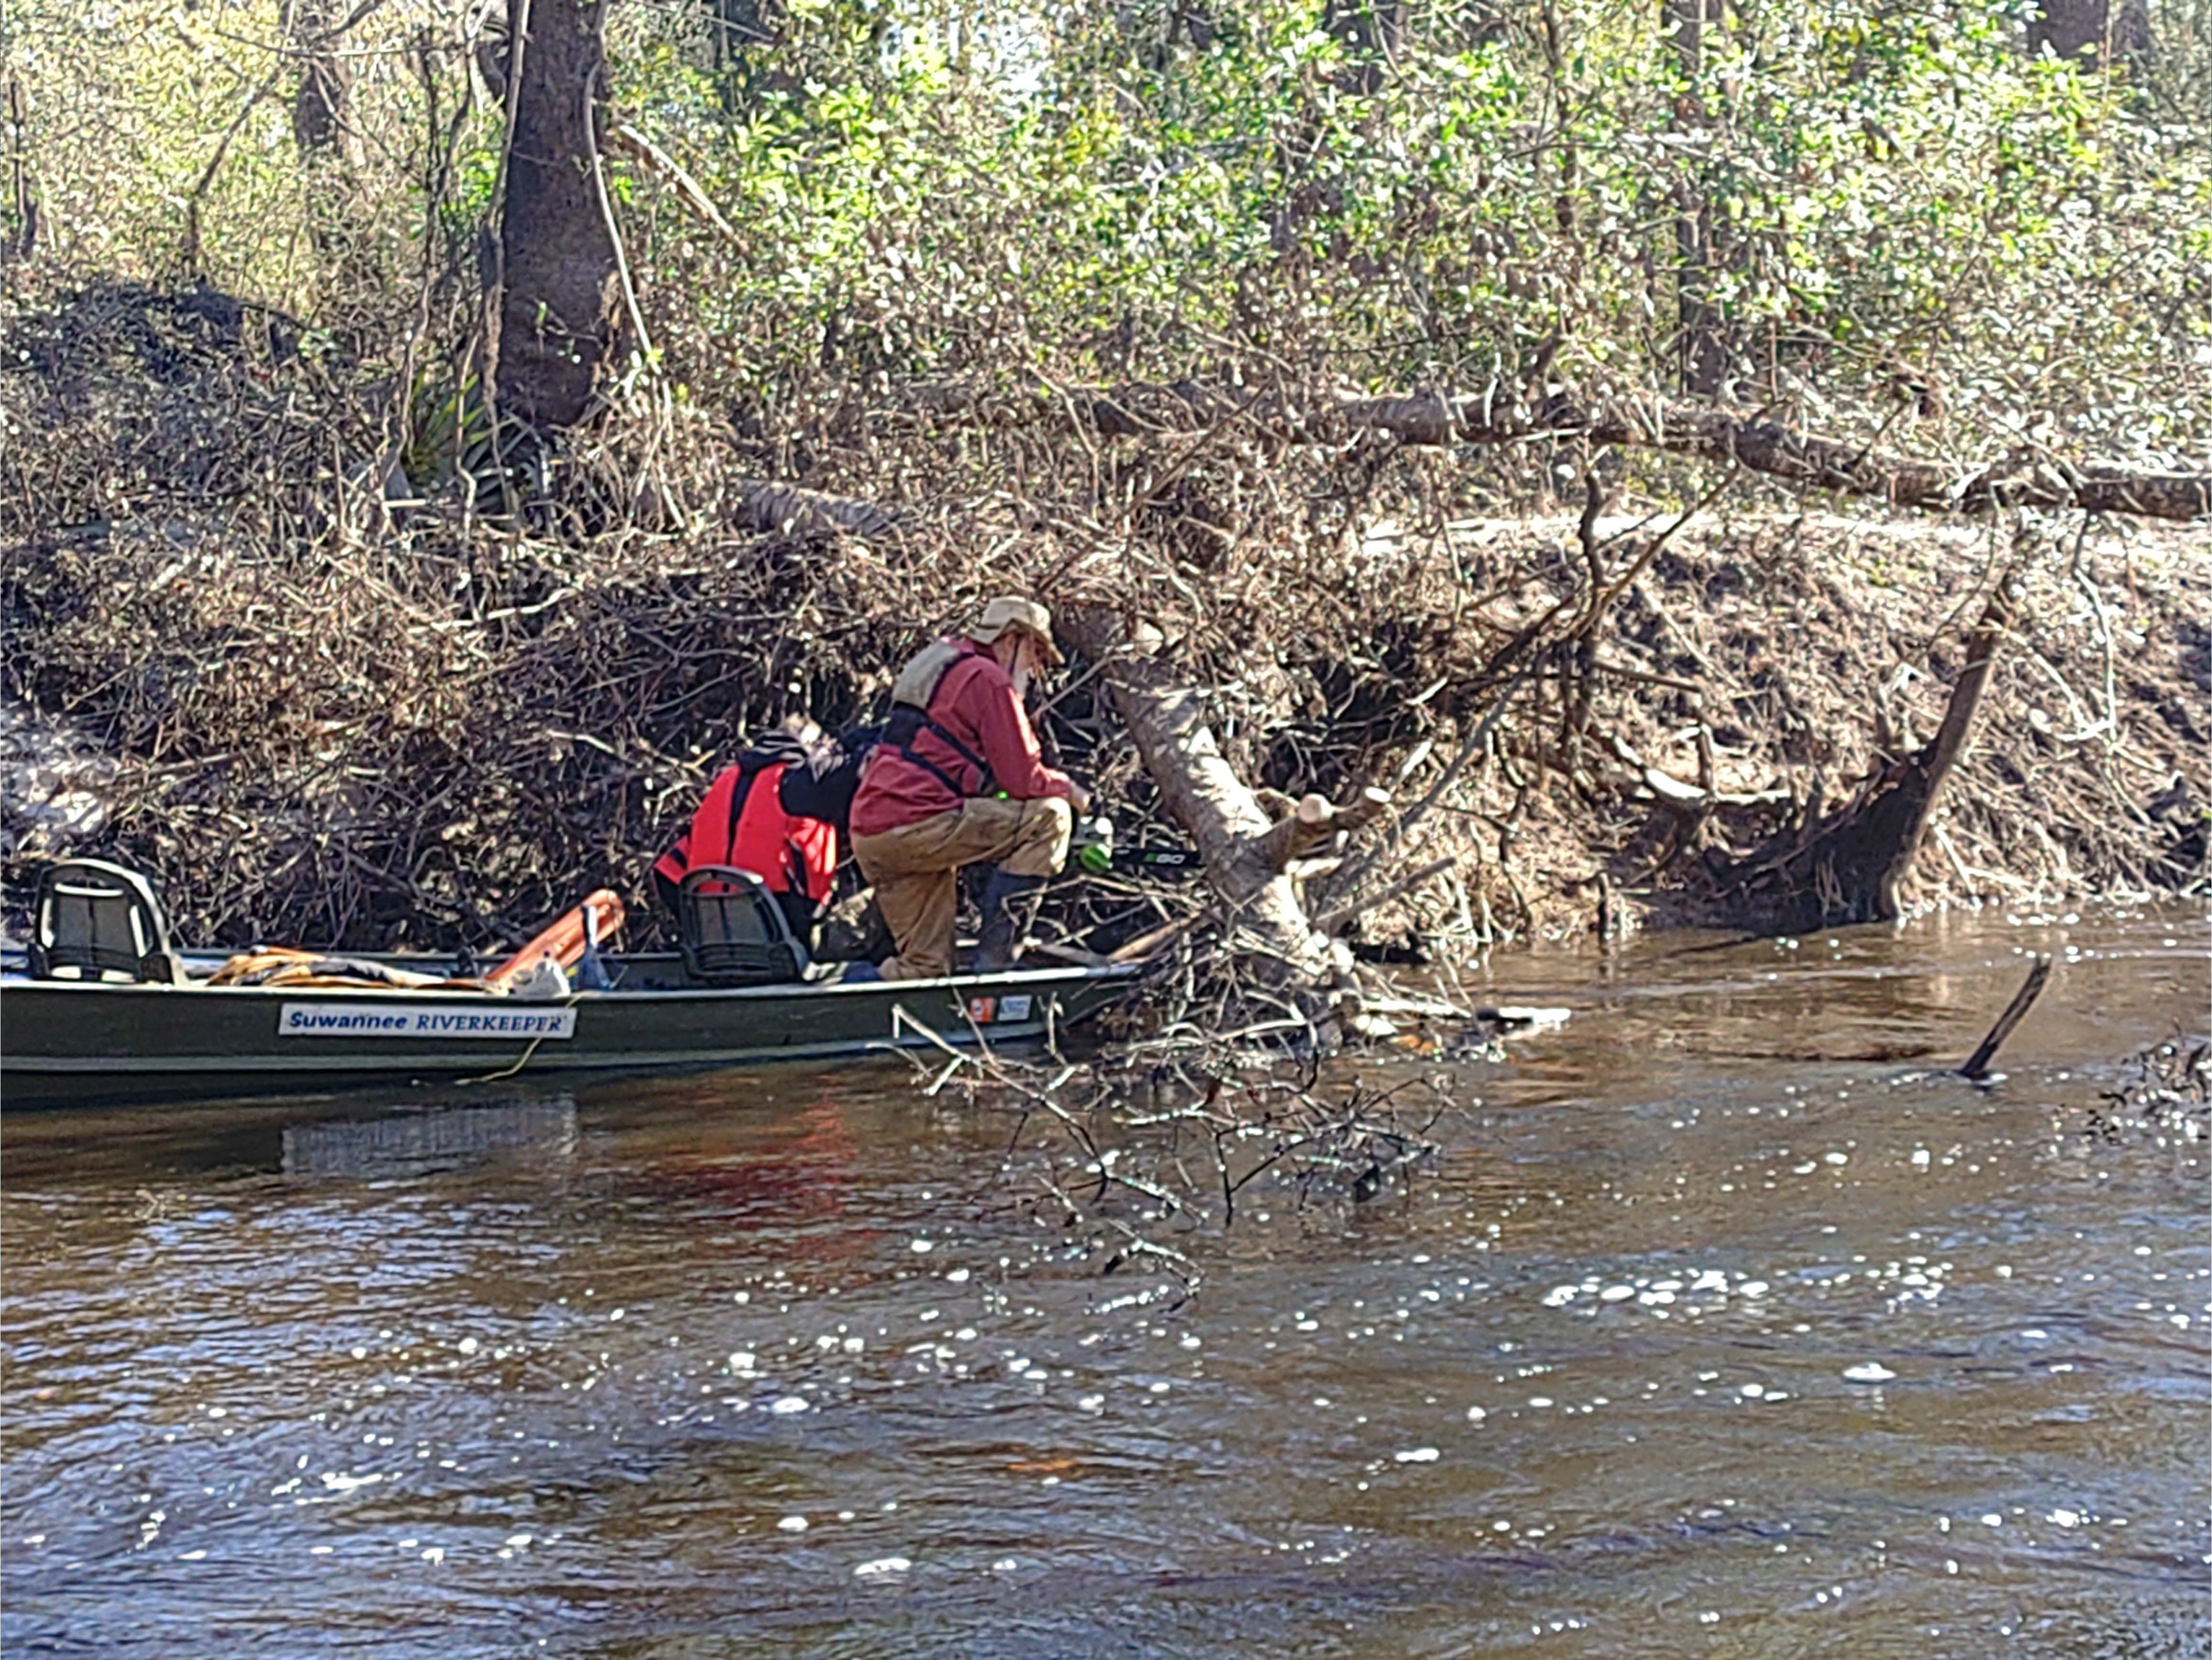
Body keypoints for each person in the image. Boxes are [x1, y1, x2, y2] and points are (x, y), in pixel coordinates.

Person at [844, 596, 1091, 980]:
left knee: (925, 970)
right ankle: (997, 967)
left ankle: (834, 1002)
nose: (1038, 668)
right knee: (1050, 819)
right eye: (1036, 652)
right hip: (919, 824)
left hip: (874, 832)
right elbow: (1023, 780)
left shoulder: (945, 663)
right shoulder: (988, 678)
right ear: (1012, 641)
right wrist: (1072, 793)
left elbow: (951, 765)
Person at [652, 717, 856, 947]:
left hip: (714, 947)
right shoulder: (800, 782)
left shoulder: (724, 784)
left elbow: (666, 873)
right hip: (784, 942)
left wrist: (698, 929)